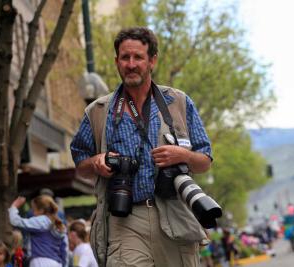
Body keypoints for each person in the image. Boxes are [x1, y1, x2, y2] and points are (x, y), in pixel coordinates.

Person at [70, 26, 212, 267]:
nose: (131, 64)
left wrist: (182, 155)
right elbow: (80, 166)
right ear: (117, 61)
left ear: (152, 61)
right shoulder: (98, 111)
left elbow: (204, 160)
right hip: (125, 218)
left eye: (138, 57)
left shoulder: (178, 102)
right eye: (125, 57)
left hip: (173, 214)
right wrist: (96, 162)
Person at [8, 196, 68, 267]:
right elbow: (64, 250)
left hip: (40, 261)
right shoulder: (59, 225)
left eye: (34, 210)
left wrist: (14, 206)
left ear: (41, 210)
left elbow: (16, 221)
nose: (33, 213)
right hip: (56, 263)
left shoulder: (41, 221)